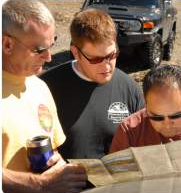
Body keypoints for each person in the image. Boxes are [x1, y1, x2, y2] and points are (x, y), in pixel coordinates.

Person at [2, 1, 87, 193]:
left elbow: (53, 150)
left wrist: (60, 169)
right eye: (39, 50)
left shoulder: (39, 87)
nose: (49, 57)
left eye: (52, 44)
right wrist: (39, 185)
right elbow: (41, 184)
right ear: (7, 44)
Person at [39, 9, 144, 159]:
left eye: (112, 55)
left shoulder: (129, 88)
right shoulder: (46, 88)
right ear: (75, 52)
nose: (107, 66)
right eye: (96, 59)